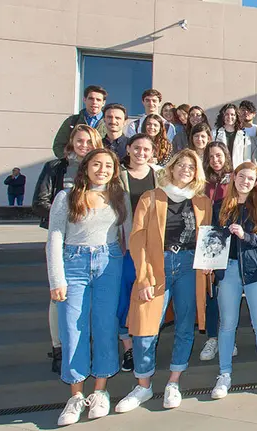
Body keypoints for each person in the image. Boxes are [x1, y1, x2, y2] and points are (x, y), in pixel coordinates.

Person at [115, 150, 212, 413]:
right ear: (171, 168)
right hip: (156, 266)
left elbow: (208, 240)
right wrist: (144, 276)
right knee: (146, 326)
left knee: (184, 323)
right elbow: (137, 239)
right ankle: (143, 385)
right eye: (180, 165)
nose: (185, 170)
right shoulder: (151, 198)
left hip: (189, 267)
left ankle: (173, 381)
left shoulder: (202, 202)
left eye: (190, 167)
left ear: (196, 173)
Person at [47, 148, 131, 426]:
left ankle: (100, 391)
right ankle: (75, 395)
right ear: (86, 167)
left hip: (110, 263)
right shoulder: (66, 197)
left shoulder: (119, 196)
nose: (103, 169)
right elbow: (55, 239)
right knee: (72, 328)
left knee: (105, 326)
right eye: (97, 164)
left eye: (109, 165)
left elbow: (128, 235)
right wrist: (56, 279)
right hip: (74, 263)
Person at [34, 125, 104, 373]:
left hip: (94, 244)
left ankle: (85, 345)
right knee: (59, 298)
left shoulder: (103, 169)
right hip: (64, 241)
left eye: (89, 141)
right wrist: (67, 218)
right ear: (71, 141)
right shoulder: (56, 168)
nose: (84, 145)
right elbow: (40, 202)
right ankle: (58, 347)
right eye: (80, 140)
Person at [209, 161, 257, 398]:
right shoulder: (220, 206)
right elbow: (211, 239)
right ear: (234, 178)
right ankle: (224, 375)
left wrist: (248, 237)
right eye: (242, 177)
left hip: (256, 272)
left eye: (251, 179)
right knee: (227, 324)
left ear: (255, 183)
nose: (245, 182)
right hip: (228, 271)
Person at [117, 135, 162, 373]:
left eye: (146, 149)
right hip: (127, 245)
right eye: (137, 148)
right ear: (128, 149)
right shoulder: (118, 177)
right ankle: (128, 348)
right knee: (126, 296)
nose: (141, 153)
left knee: (149, 296)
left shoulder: (160, 175)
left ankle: (145, 342)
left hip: (154, 246)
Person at [197, 141, 235, 362]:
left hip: (230, 241)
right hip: (208, 242)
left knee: (228, 292)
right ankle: (212, 338)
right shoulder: (202, 183)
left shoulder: (234, 179)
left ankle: (229, 338)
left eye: (219, 156)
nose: (215, 160)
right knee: (211, 292)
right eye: (211, 157)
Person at [52, 85, 108, 158]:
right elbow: (58, 145)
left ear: (103, 103)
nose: (94, 102)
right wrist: (71, 159)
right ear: (84, 100)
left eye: (98, 100)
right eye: (91, 98)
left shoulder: (109, 123)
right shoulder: (72, 121)